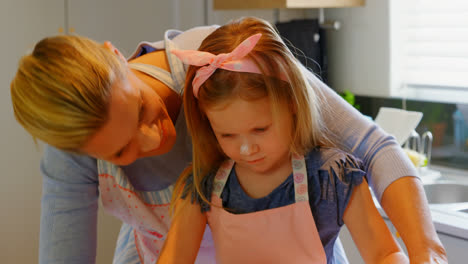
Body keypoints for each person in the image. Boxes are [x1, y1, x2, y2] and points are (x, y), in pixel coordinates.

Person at [10, 17, 446, 264]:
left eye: (142, 111)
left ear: (115, 55)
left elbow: (375, 149)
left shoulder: (219, 63)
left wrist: (426, 253)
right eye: (121, 151)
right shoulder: (193, 191)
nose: (155, 138)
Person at [157, 17, 409, 263]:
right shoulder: (205, 185)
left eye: (260, 129)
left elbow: (384, 253)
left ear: (292, 103)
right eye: (228, 135)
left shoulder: (330, 176)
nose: (246, 148)